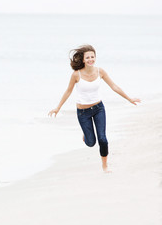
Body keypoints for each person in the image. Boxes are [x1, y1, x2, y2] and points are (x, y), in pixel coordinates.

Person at [48, 44, 140, 172]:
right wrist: (57, 108)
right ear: (83, 60)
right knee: (91, 142)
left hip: (98, 108)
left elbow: (114, 86)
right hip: (83, 112)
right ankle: (86, 135)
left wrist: (129, 98)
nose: (91, 59)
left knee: (103, 138)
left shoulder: (100, 71)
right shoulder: (76, 74)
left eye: (93, 57)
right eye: (88, 57)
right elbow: (68, 92)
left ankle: (105, 166)